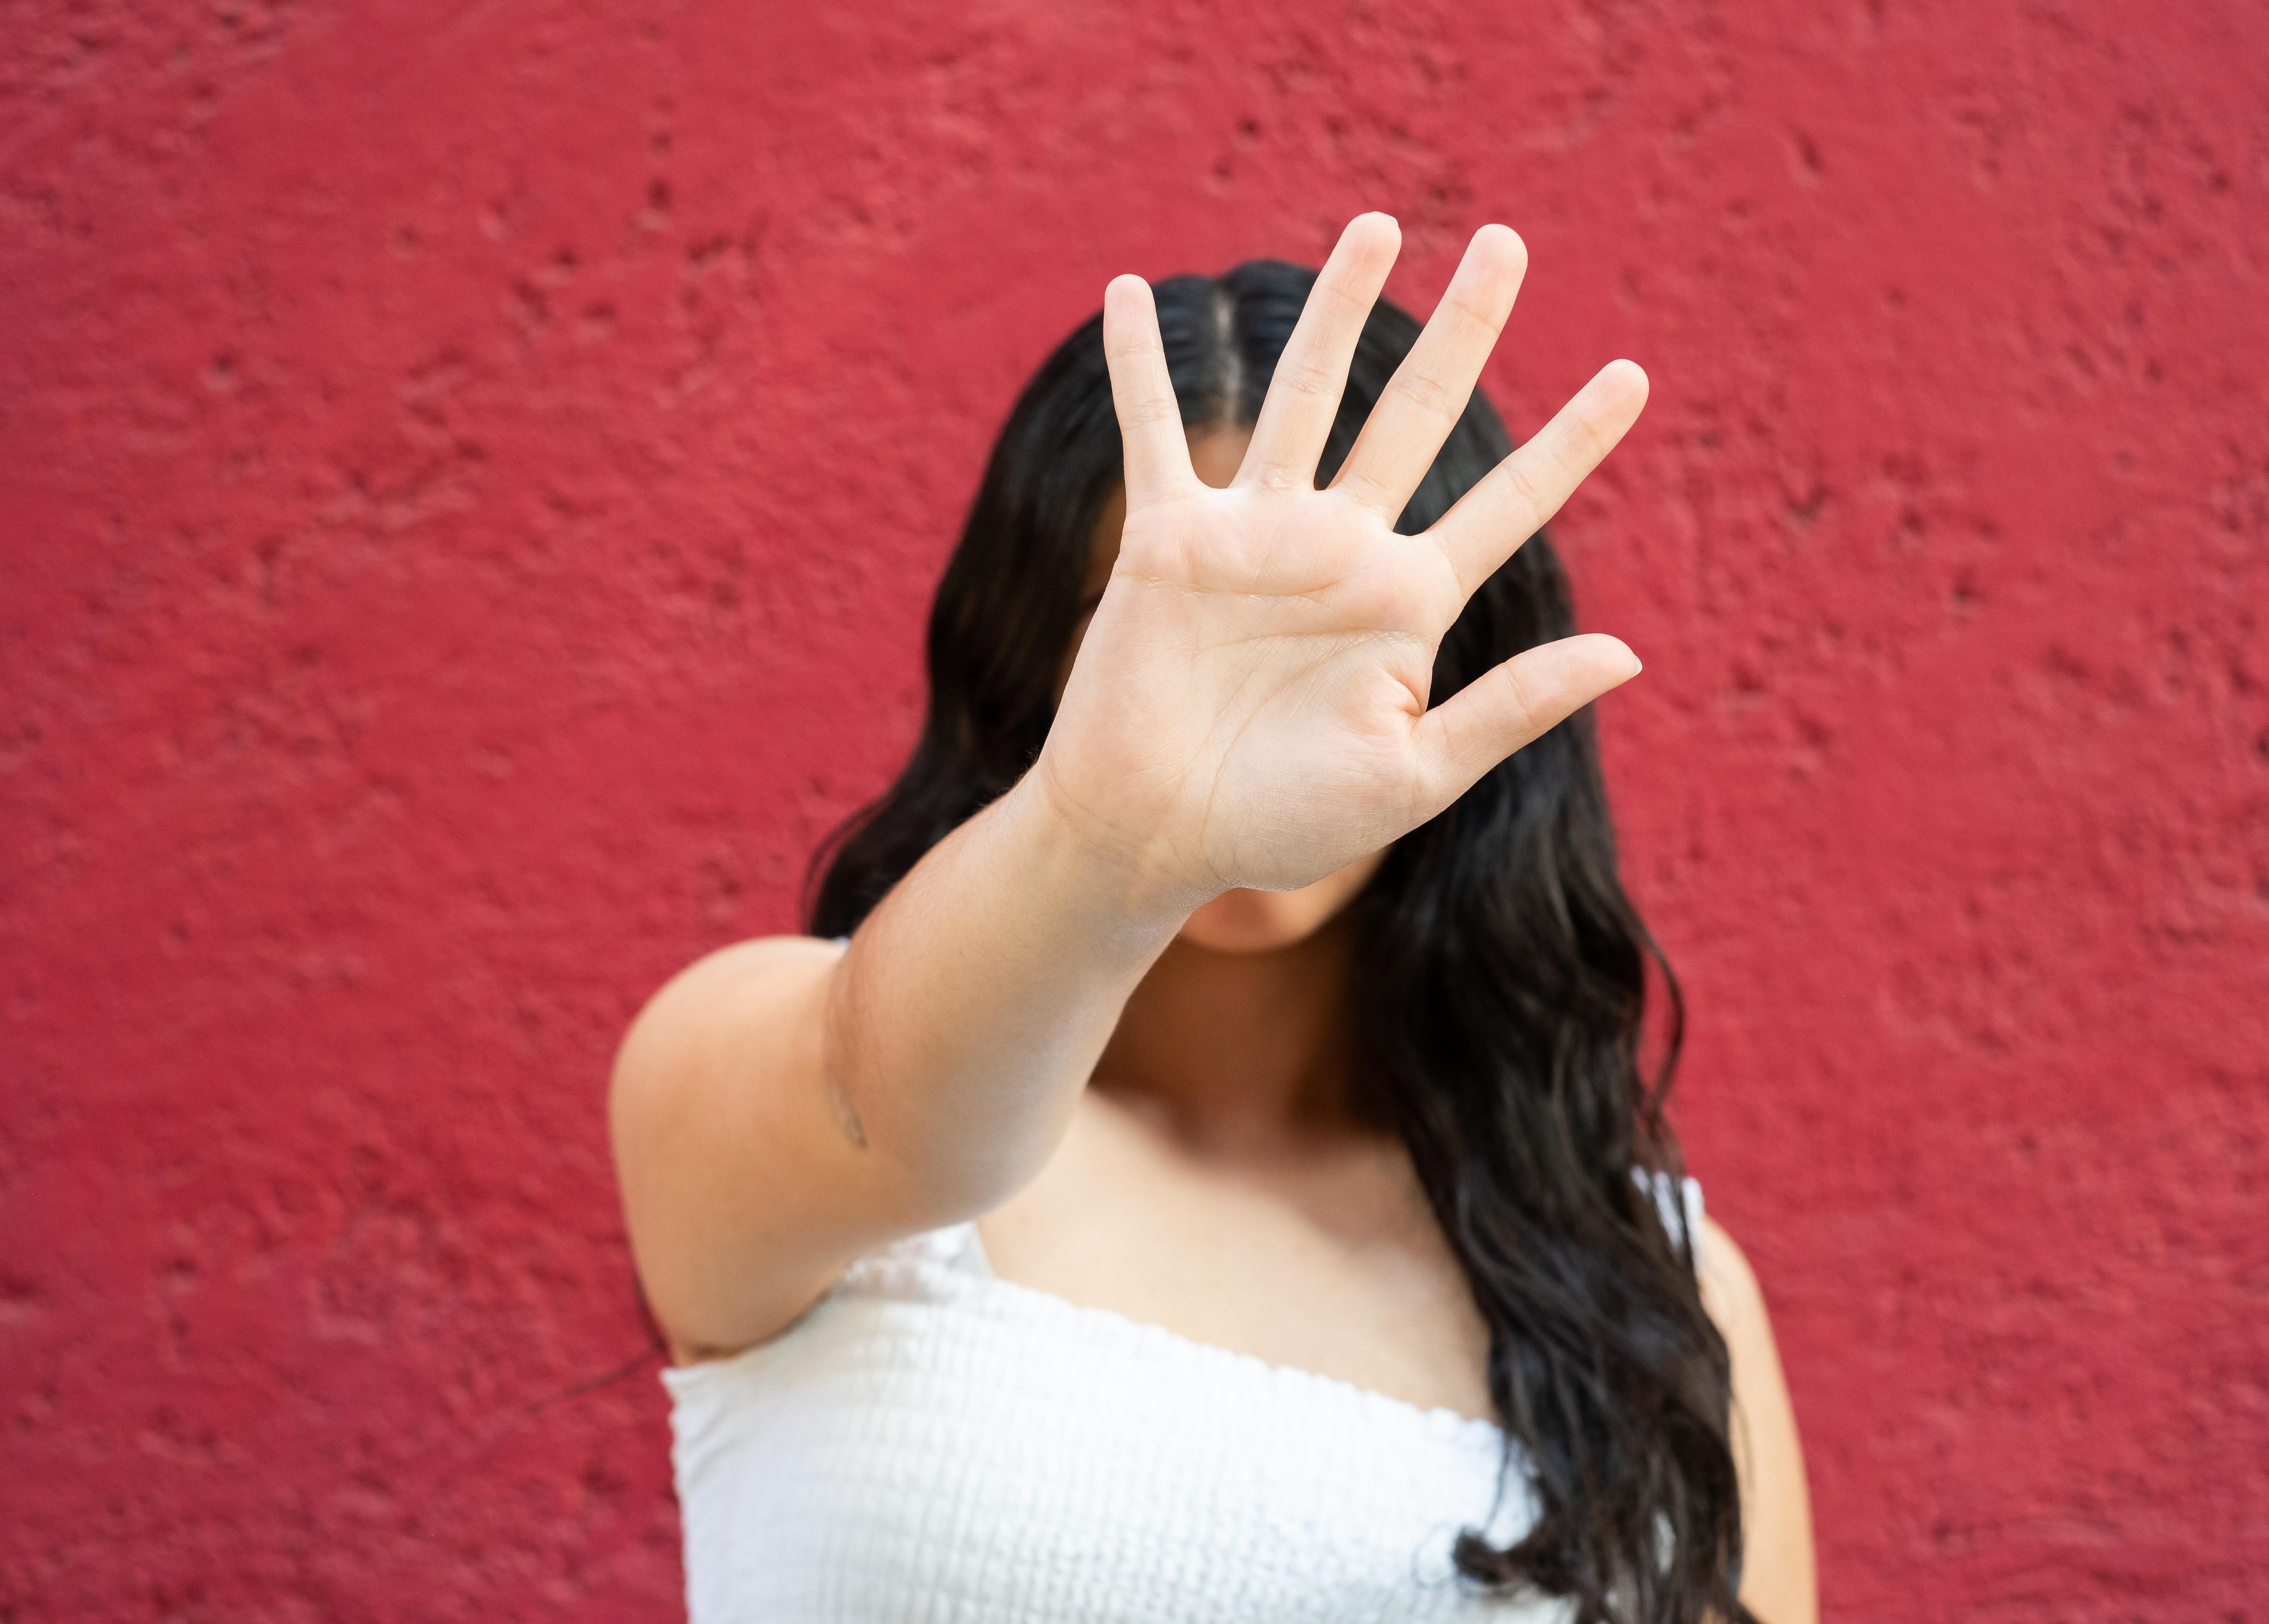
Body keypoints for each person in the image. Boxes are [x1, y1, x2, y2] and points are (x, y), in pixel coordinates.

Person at [608, 212, 1816, 1623]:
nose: (1252, 712)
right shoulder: (785, 1096)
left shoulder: (1657, 1300)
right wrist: (1111, 831)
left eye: (1339, 643)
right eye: (1151, 634)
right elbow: (893, 1111)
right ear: (1029, 657)